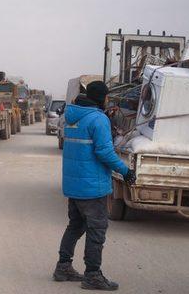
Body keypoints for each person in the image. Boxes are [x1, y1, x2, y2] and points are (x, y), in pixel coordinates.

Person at [53, 81, 136, 291]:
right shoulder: (98, 119)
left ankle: (63, 267)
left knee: (75, 226)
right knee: (96, 230)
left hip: (74, 184)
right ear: (101, 97)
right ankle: (92, 275)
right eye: (107, 97)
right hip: (92, 186)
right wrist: (126, 172)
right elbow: (105, 153)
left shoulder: (71, 117)